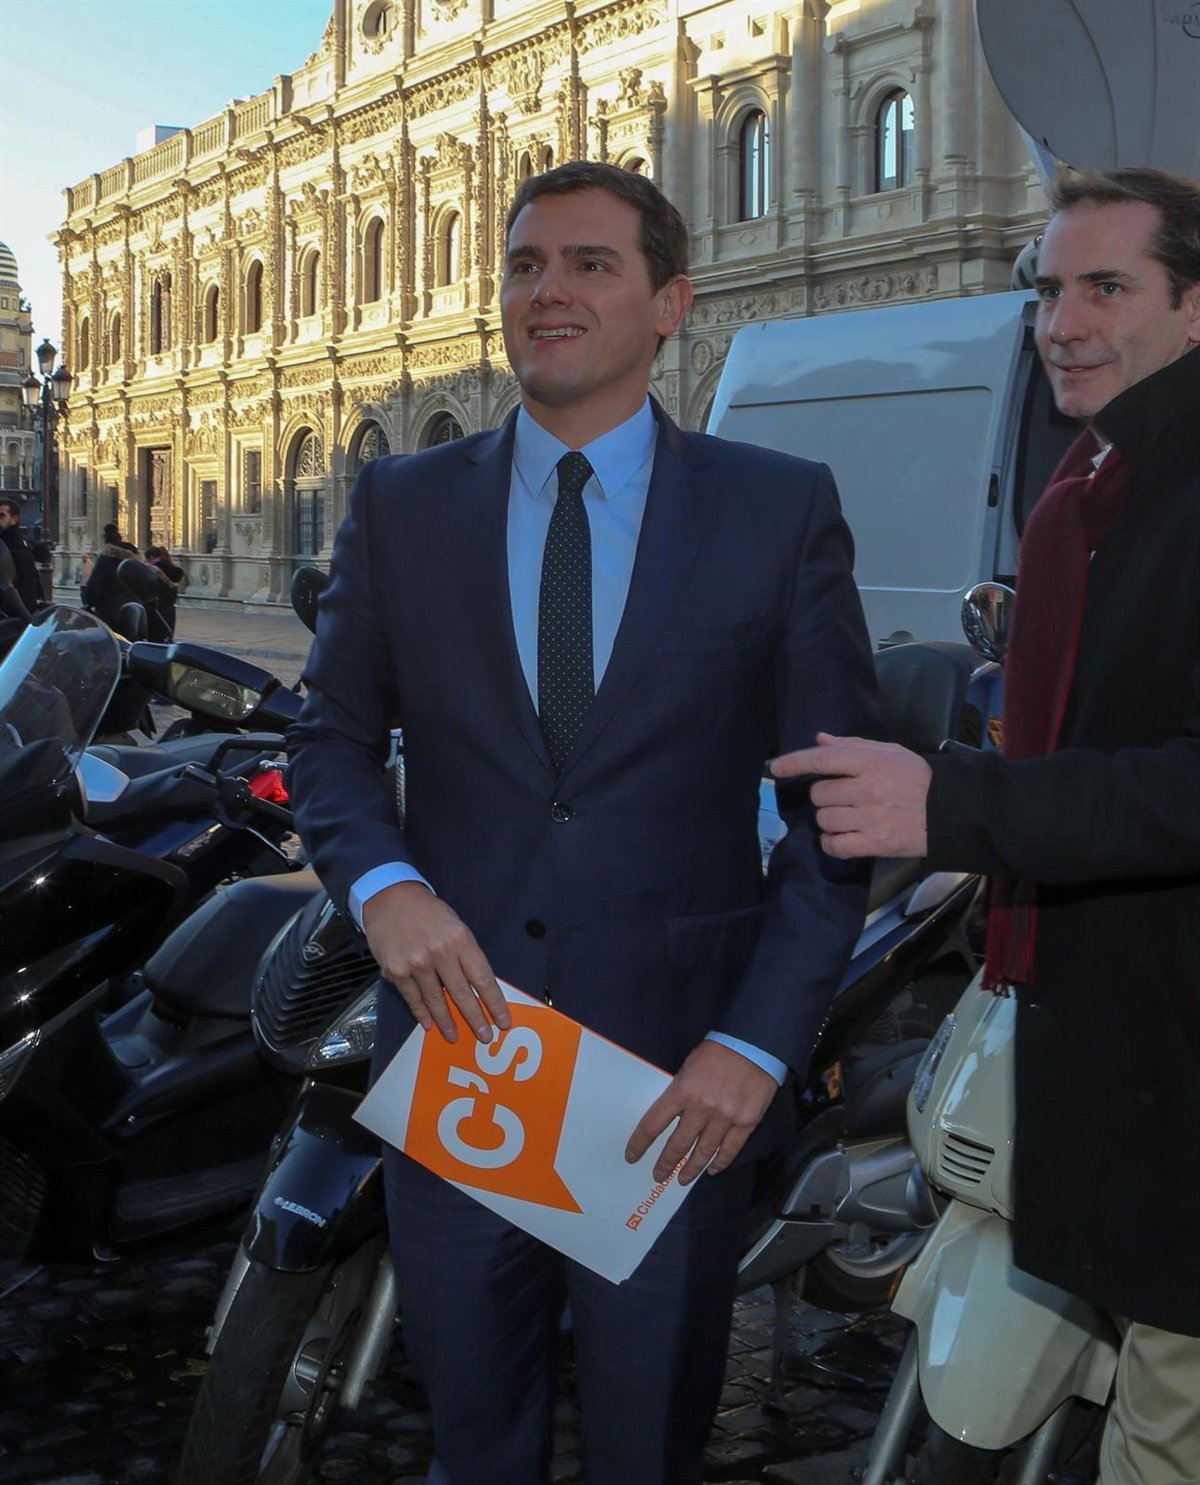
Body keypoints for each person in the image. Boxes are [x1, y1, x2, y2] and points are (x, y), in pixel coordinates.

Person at [288, 160, 880, 1485]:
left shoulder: (777, 508)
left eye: (590, 264)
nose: (546, 291)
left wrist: (757, 1043)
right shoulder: (402, 506)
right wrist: (383, 885)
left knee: (646, 1445)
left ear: (671, 303)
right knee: (473, 1441)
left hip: (675, 1086)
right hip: (464, 1066)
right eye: (524, 264)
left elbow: (834, 812)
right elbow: (327, 739)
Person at [774, 166, 1200, 1485]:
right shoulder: (1098, 485)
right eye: (1049, 291)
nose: (1063, 324)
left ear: (1195, 307)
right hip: (1114, 1041)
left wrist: (953, 802)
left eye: (1107, 288)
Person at [0, 499, 44, 613]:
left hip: (14, 610)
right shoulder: (23, 542)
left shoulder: (18, 546)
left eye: (2, 516)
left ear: (14, 519)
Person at [145, 545, 185, 637]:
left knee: (156, 634)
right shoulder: (174, 568)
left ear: (151, 557)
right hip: (170, 605)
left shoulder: (152, 570)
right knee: (168, 633)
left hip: (157, 605)